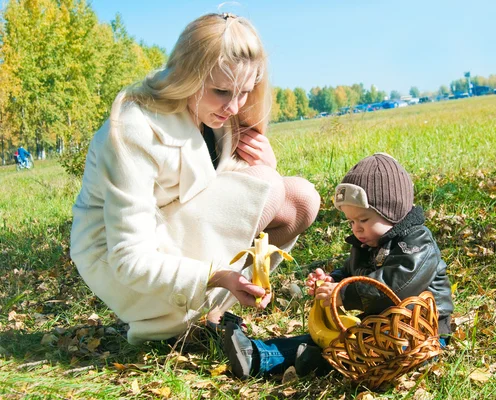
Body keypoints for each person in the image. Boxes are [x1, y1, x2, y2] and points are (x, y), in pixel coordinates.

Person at [69, 13, 321, 345]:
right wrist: (215, 275)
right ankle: (169, 325)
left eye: (245, 92)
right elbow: (127, 256)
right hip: (123, 263)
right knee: (270, 186)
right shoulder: (133, 128)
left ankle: (208, 315)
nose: (234, 106)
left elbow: (224, 196)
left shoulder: (216, 113)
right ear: (189, 75)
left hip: (179, 233)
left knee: (302, 199)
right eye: (221, 91)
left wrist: (265, 167)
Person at [224, 153, 454, 379]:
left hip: (421, 335)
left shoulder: (416, 243)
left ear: (393, 212)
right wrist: (332, 282)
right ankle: (257, 355)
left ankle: (315, 363)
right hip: (382, 330)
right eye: (351, 222)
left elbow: (397, 285)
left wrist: (344, 293)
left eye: (363, 220)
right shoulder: (367, 244)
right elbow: (350, 273)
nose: (357, 229)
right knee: (330, 338)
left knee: (359, 349)